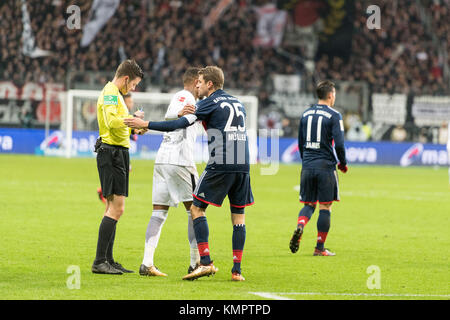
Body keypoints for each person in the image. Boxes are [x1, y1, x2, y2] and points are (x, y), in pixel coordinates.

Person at [125, 66, 254, 281]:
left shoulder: (205, 102)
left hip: (220, 162)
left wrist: (145, 124)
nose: (198, 86)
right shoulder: (238, 103)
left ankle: (203, 262)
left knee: (195, 209)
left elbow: (178, 123)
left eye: (201, 82)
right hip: (243, 163)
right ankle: (236, 270)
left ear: (209, 84)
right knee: (238, 218)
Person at [139, 67, 203, 277]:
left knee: (159, 212)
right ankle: (196, 263)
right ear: (195, 82)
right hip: (180, 161)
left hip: (162, 161)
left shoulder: (194, 102)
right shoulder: (185, 95)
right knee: (195, 211)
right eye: (201, 82)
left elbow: (174, 121)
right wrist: (178, 112)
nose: (202, 86)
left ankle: (147, 263)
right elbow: (171, 114)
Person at [92, 59, 144, 274]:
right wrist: (132, 120)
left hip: (116, 152)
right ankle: (99, 262)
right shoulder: (112, 93)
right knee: (117, 209)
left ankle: (108, 260)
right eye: (133, 84)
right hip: (112, 153)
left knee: (111, 208)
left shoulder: (114, 93)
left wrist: (135, 127)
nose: (133, 88)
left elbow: (119, 124)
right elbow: (113, 122)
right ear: (125, 79)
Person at [289, 80, 348, 257]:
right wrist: (342, 163)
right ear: (330, 95)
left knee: (308, 204)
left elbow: (300, 142)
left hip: (307, 165)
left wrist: (306, 160)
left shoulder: (305, 114)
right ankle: (319, 247)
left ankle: (300, 225)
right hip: (325, 166)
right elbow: (340, 144)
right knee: (325, 206)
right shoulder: (335, 115)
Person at [97, 93, 143, 204]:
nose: (131, 104)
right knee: (115, 203)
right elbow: (115, 125)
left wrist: (138, 130)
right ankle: (102, 191)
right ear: (124, 101)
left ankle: (104, 191)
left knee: (126, 170)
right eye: (130, 102)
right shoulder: (121, 115)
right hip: (113, 149)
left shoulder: (126, 116)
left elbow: (131, 131)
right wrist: (135, 130)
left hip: (119, 150)